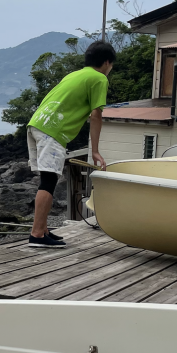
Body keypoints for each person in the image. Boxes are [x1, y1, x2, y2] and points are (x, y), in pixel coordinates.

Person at [25, 40, 115, 247]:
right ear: (107, 62)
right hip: (53, 130)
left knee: (46, 179)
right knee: (48, 182)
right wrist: (96, 151)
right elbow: (96, 115)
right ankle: (37, 235)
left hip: (37, 124)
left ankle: (43, 229)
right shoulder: (99, 78)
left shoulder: (74, 74)